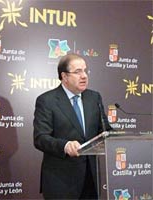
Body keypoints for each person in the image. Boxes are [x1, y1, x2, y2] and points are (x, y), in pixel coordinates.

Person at [33, 53, 112, 200]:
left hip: (90, 179)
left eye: (85, 70)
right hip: (61, 182)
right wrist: (65, 145)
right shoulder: (47, 100)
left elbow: (104, 130)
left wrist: (116, 137)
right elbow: (40, 138)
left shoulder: (94, 97)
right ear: (64, 76)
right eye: (78, 72)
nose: (84, 76)